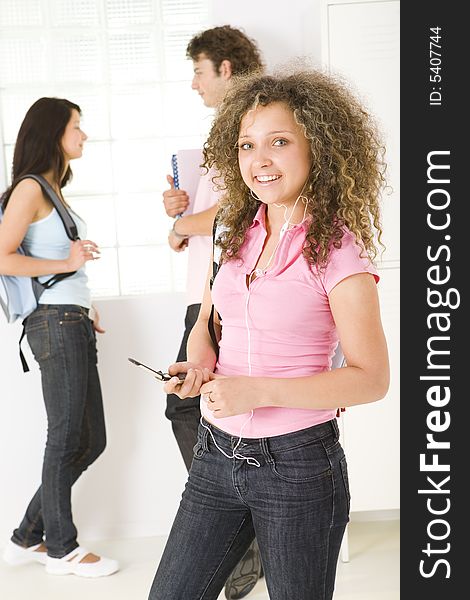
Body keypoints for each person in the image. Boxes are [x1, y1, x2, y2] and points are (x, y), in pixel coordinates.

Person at [148, 68, 390, 600]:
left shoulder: (339, 255)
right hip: (216, 455)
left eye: (279, 142)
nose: (260, 159)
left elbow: (371, 379)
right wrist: (199, 364)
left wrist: (257, 391)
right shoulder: (235, 231)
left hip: (299, 468)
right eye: (246, 145)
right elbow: (209, 325)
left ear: (318, 148)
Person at [162, 25, 264, 599]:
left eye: (199, 70)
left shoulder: (251, 127)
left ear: (225, 67)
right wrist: (181, 214)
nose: (194, 82)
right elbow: (209, 221)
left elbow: (246, 208)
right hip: (204, 290)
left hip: (224, 294)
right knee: (198, 412)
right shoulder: (218, 140)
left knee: (195, 412)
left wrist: (184, 223)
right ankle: (244, 538)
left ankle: (242, 537)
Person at [0, 98, 118, 578]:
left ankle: (28, 536)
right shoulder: (30, 188)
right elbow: (3, 257)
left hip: (70, 318)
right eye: (77, 126)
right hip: (53, 322)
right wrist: (67, 266)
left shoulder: (51, 190)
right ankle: (61, 548)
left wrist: (84, 300)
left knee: (92, 440)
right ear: (53, 133)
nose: (84, 135)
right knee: (66, 436)